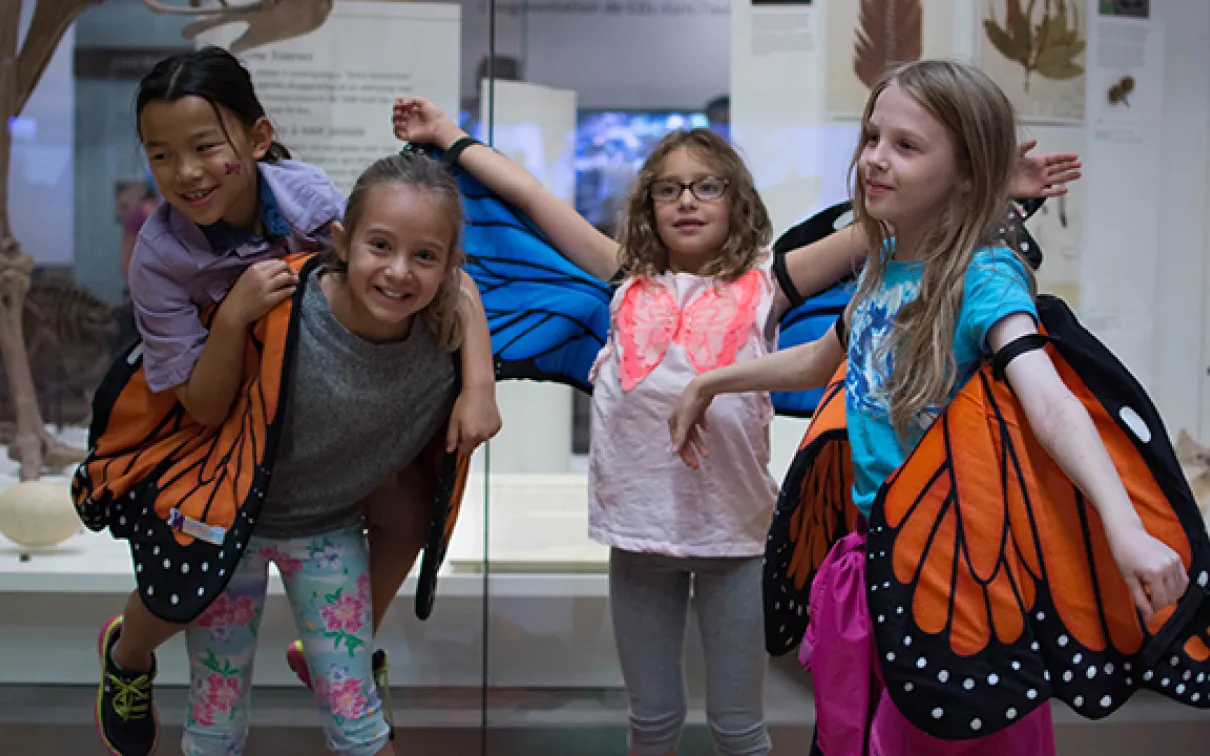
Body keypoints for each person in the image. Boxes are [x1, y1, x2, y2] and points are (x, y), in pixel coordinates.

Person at [390, 91, 1080, 756]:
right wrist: (451, 135)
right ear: (647, 206)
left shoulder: (766, 285)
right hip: (638, 539)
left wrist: (991, 190)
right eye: (669, 189)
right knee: (651, 720)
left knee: (738, 728)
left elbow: (880, 227)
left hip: (737, 542)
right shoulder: (622, 278)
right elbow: (534, 201)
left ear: (737, 200)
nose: (687, 200)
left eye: (707, 187)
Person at [668, 59, 1189, 755]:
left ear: (968, 172)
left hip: (958, 584)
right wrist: (709, 383)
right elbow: (823, 359)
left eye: (906, 147)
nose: (875, 160)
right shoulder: (885, 267)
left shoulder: (984, 275)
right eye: (873, 137)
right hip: (877, 567)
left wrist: (1124, 526)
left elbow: (1051, 403)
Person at [93, 47, 500, 755]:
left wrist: (478, 381)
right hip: (212, 458)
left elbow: (419, 259)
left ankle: (338, 660)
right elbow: (200, 404)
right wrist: (231, 316)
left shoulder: (309, 200)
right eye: (160, 155)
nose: (184, 172)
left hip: (321, 509)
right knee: (177, 614)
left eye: (203, 147)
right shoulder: (159, 256)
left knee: (403, 515)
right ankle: (127, 656)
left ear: (255, 139)